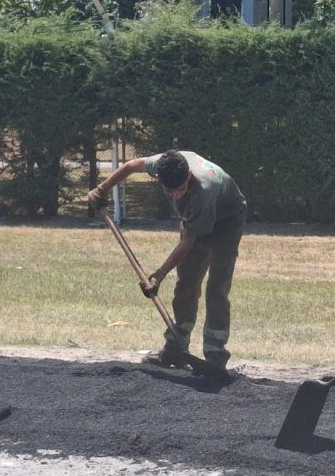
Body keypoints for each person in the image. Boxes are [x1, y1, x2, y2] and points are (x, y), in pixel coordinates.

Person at [88, 150, 246, 370]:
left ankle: (215, 354)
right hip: (194, 219)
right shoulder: (162, 166)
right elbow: (132, 165)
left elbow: (189, 241)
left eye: (180, 190)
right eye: (169, 191)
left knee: (217, 287)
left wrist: (159, 275)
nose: (175, 196)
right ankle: (175, 349)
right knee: (186, 284)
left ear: (189, 177)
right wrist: (101, 189)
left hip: (227, 220)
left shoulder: (204, 191)